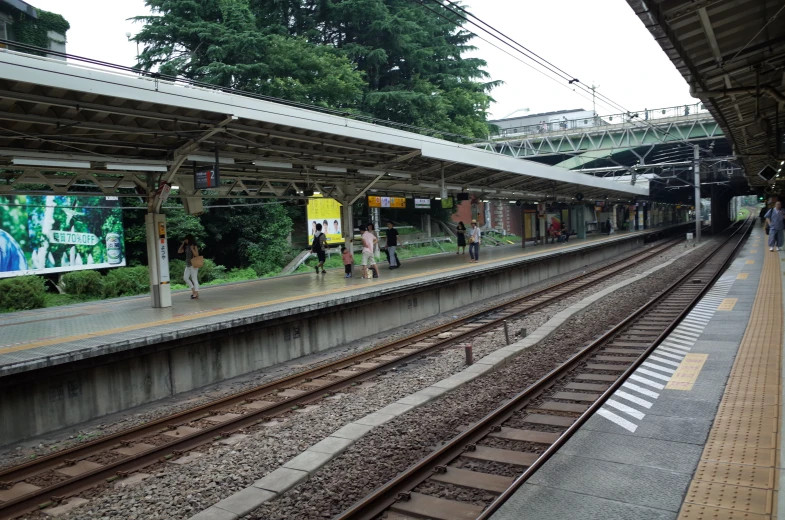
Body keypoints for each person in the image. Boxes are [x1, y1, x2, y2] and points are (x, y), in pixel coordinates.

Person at [178, 234, 199, 299]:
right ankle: (193, 290)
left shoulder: (194, 246)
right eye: (185, 239)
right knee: (185, 278)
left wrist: (192, 249)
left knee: (194, 279)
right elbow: (179, 251)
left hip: (193, 264)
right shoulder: (186, 246)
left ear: (189, 239)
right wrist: (182, 244)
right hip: (188, 265)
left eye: (186, 239)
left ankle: (196, 293)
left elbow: (197, 254)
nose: (185, 240)